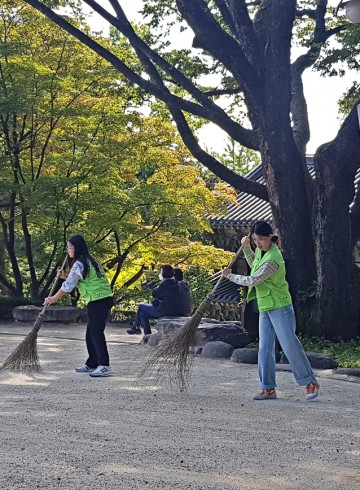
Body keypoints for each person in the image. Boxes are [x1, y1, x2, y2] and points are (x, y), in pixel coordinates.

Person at [222, 221, 320, 401]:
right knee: (264, 348)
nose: (258, 243)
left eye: (261, 239)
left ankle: (310, 381)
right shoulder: (261, 251)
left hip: (280, 307)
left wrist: (230, 276)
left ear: (270, 237)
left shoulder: (274, 258)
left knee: (289, 345)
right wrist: (246, 249)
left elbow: (254, 279)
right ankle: (267, 387)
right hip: (266, 305)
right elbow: (255, 264)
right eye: (254, 239)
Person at [44, 235, 114, 377]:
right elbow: (78, 281)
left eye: (70, 247)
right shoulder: (90, 260)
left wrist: (53, 298)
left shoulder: (79, 264)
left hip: (98, 300)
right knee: (91, 332)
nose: (68, 250)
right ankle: (92, 363)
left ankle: (104, 365)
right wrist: (65, 277)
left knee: (96, 332)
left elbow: (69, 286)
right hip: (102, 298)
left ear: (76, 248)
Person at [127, 264, 181, 336]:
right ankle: (147, 335)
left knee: (141, 306)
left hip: (164, 310)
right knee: (143, 314)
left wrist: (156, 286)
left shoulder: (165, 284)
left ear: (163, 273)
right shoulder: (174, 283)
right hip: (173, 310)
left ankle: (136, 328)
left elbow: (155, 293)